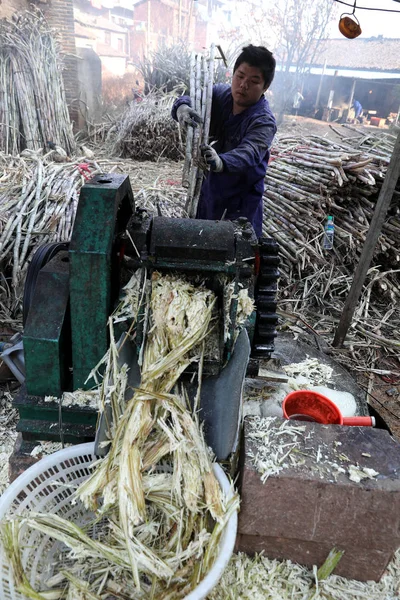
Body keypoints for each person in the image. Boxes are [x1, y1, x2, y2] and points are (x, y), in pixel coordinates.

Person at [171, 44, 276, 238]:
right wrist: (182, 108)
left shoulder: (263, 121)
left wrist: (222, 162)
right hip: (209, 194)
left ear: (265, 87)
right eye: (240, 76)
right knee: (202, 247)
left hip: (241, 205)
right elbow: (192, 98)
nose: (243, 85)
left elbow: (250, 152)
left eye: (253, 81)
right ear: (233, 74)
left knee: (234, 258)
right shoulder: (219, 96)